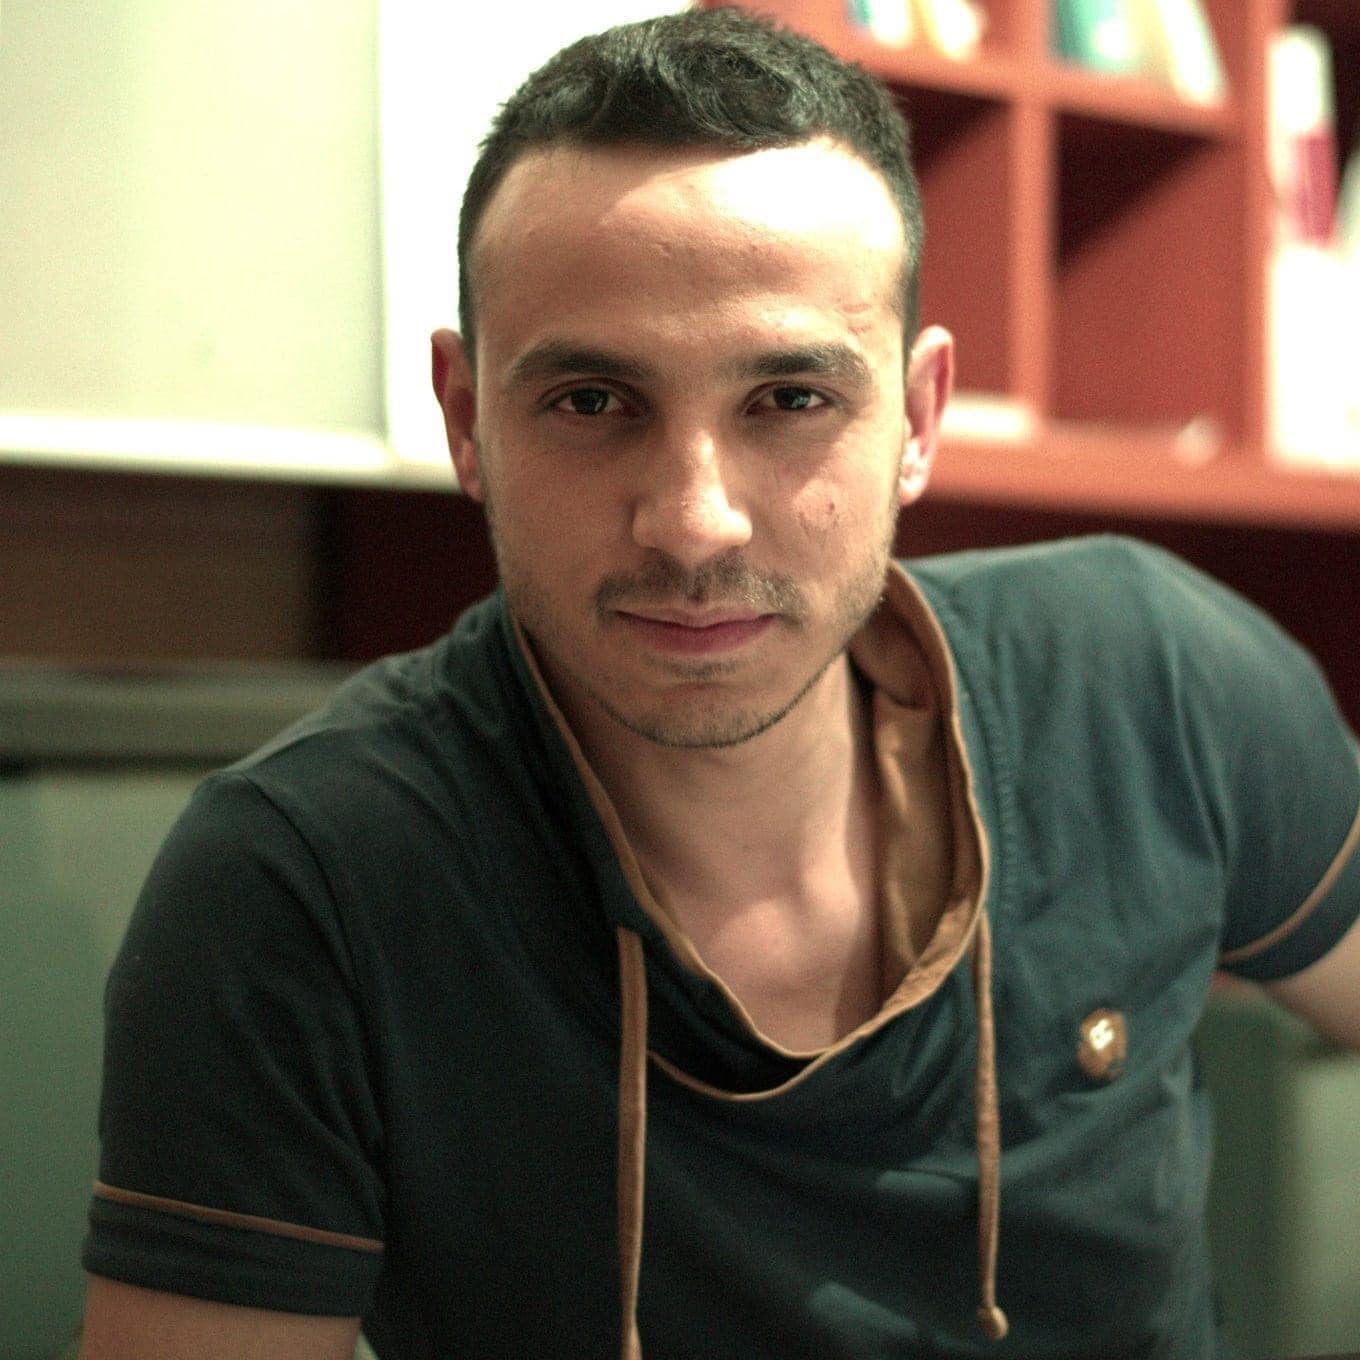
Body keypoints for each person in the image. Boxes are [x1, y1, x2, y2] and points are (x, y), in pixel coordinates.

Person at [77, 8, 1360, 1359]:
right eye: (592, 402)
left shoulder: (1148, 683)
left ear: (917, 419)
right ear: (467, 419)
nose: (694, 524)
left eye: (790, 400)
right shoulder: (308, 884)